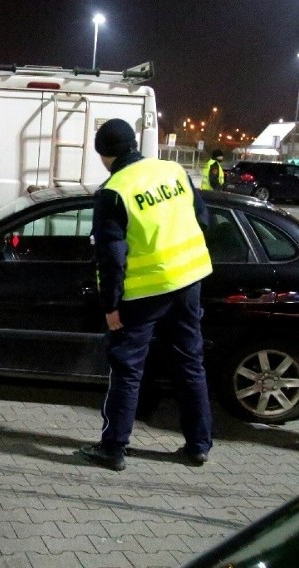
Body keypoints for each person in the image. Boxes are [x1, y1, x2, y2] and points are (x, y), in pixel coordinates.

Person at [79, 118, 214, 471]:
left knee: (127, 371)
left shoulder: (113, 190)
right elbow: (204, 219)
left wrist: (109, 306)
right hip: (189, 282)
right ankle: (198, 446)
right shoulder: (174, 170)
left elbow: (110, 257)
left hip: (143, 295)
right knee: (190, 365)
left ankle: (113, 449)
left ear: (104, 155)